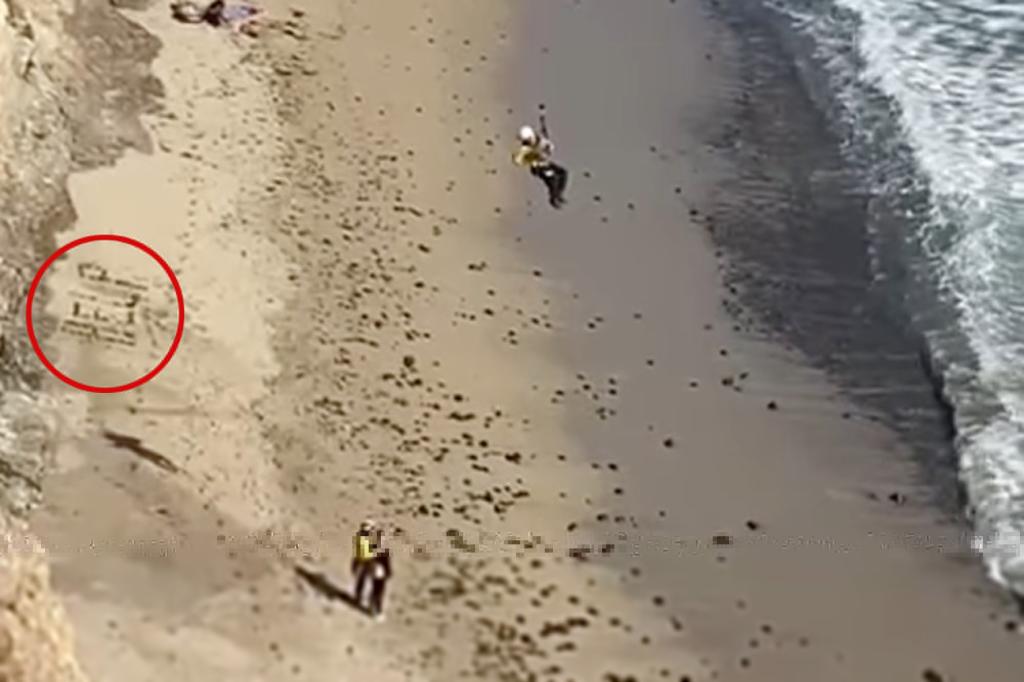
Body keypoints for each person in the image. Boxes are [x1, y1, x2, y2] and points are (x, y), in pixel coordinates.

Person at [512, 120, 569, 209]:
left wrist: (548, 147)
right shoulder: (525, 149)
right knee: (552, 179)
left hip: (545, 163)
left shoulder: (539, 140)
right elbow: (517, 160)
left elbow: (548, 148)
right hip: (538, 168)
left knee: (563, 173)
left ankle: (559, 194)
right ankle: (553, 198)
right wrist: (531, 156)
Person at [351, 520, 378, 608]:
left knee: (365, 581)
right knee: (364, 581)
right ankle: (360, 599)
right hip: (365, 561)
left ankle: (362, 599)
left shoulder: (362, 537)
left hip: (367, 561)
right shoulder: (362, 537)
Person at [367, 547, 392, 620]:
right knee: (379, 593)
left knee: (376, 591)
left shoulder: (375, 554)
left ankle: (372, 607)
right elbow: (387, 564)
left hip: (376, 574)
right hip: (379, 575)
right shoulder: (384, 553)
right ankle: (377, 611)